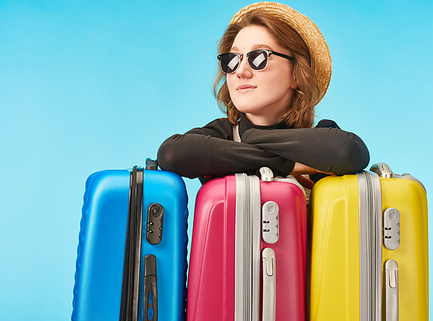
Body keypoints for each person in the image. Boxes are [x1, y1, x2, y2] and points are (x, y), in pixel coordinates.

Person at [157, 2, 369, 188]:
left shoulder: (321, 137)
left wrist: (253, 138)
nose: (241, 71)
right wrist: (286, 165)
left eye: (258, 57)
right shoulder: (223, 134)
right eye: (232, 60)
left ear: (296, 74)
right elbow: (171, 154)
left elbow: (348, 152)